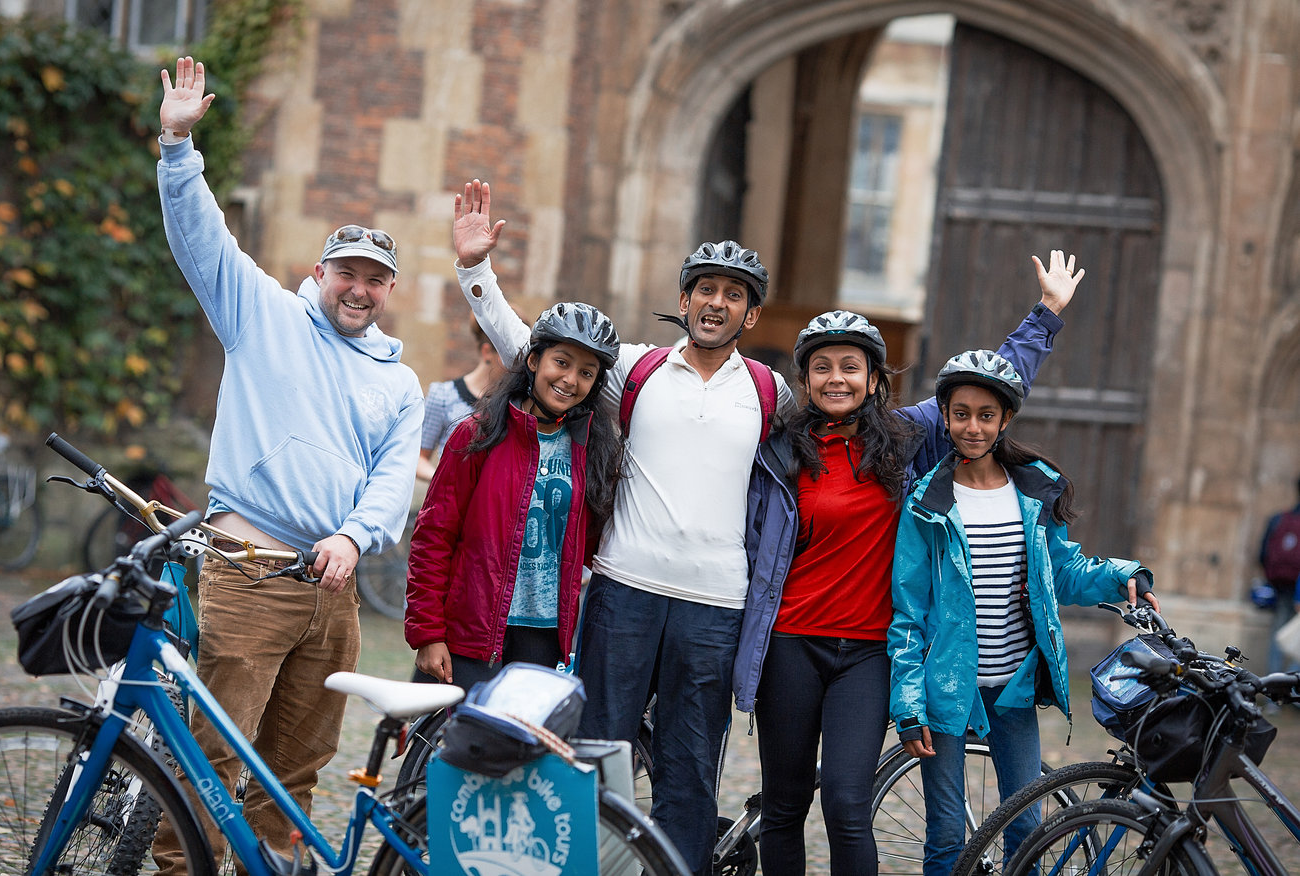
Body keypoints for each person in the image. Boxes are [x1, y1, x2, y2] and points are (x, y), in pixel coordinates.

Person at [450, 180, 1069, 875]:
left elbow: (959, 405)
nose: (718, 301)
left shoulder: (771, 395)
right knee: (598, 754)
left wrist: (1041, 320)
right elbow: (543, 352)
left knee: (688, 774)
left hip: (718, 607)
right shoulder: (635, 369)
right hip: (625, 590)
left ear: (750, 315)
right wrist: (475, 271)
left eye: (734, 293)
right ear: (684, 301)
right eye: (705, 288)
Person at [153, 58, 425, 873]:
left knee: (292, 775)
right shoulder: (262, 315)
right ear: (320, 273)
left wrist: (355, 535)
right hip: (249, 571)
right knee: (213, 758)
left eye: (376, 279)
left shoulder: (401, 381)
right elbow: (203, 239)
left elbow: (389, 479)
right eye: (348, 272)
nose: (361, 289)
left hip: (332, 592)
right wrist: (177, 147)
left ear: (388, 291)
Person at [735, 251, 1083, 876]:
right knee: (785, 805)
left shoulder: (904, 437)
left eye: (850, 367)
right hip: (791, 643)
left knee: (846, 801)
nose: (835, 378)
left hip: (867, 651)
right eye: (821, 368)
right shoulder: (778, 451)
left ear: (873, 379)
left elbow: (988, 390)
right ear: (804, 379)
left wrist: (1047, 314)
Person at [888, 349, 1159, 876]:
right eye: (960, 413)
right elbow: (908, 611)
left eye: (985, 415)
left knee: (1028, 830)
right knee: (945, 836)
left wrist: (1123, 574)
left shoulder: (1031, 490)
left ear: (1005, 418)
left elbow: (1065, 571)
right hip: (948, 692)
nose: (972, 426)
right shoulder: (926, 502)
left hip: (1013, 687)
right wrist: (908, 701)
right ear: (944, 416)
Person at [404, 302, 623, 690]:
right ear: (535, 361)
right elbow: (433, 537)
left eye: (586, 373)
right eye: (562, 362)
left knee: (520, 747)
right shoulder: (477, 436)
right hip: (473, 628)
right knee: (458, 745)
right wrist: (428, 633)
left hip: (542, 635)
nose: (571, 380)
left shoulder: (591, 452)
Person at [416, 316, 510, 484]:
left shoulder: (518, 404)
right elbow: (418, 459)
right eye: (509, 355)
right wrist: (448, 480)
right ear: (487, 352)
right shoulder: (443, 395)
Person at [1259, 478, 1300, 674]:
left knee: (1279, 636)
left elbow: (1263, 554)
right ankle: (1292, 689)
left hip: (1281, 585)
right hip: (1296, 587)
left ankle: (1272, 693)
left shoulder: (1280, 519)